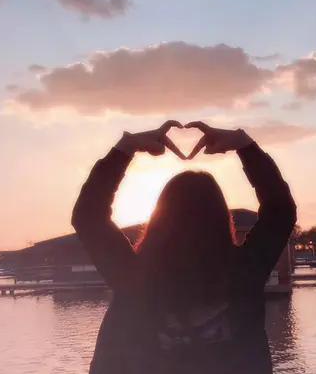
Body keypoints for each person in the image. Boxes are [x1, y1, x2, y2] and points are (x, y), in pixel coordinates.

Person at [72, 120, 297, 374]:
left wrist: (127, 147)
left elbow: (88, 214)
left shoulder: (132, 276)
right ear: (221, 220)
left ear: (159, 220)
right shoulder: (244, 273)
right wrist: (244, 145)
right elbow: (280, 211)